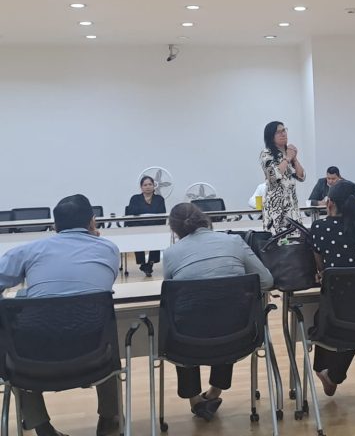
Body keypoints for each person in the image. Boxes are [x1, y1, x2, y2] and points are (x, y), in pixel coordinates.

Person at [0, 194, 121, 436]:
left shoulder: (30, 250)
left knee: (14, 346)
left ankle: (41, 426)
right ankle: (109, 419)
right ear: (92, 222)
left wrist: (22, 298)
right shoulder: (109, 249)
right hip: (94, 357)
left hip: (34, 361)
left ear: (55, 226)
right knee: (106, 334)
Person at [163, 203, 273, 420]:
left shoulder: (171, 253)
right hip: (238, 335)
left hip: (188, 340)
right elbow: (267, 281)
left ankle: (195, 400)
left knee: (187, 319)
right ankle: (214, 392)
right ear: (204, 219)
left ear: (174, 230)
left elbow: (170, 295)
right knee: (226, 313)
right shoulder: (234, 242)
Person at [310, 180, 355, 396]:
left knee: (324, 318)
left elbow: (321, 268)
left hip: (338, 313)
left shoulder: (321, 227)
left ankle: (328, 373)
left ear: (330, 203)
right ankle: (333, 375)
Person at [260, 121, 305, 234]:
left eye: (284, 130)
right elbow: (274, 177)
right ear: (271, 136)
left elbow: (301, 176)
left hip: (292, 206)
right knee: (277, 240)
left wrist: (294, 158)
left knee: (296, 240)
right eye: (278, 132)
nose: (283, 134)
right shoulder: (266, 154)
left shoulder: (288, 153)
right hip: (276, 208)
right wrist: (288, 158)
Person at [126, 175, 166, 276]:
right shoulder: (135, 198)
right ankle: (143, 263)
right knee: (137, 236)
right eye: (145, 185)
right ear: (141, 187)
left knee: (157, 236)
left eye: (150, 184)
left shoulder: (159, 199)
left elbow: (162, 214)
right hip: (138, 227)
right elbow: (132, 212)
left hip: (154, 228)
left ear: (154, 186)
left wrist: (143, 211)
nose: (148, 187)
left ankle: (150, 263)